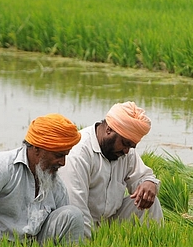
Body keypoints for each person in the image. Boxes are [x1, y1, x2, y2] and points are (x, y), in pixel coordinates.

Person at [0, 114, 85, 247]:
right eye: (58, 155)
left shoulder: (56, 184)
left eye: (65, 155)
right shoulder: (1, 165)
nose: (62, 162)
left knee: (72, 215)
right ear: (37, 149)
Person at [58, 101, 163, 239]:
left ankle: (156, 245)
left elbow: (142, 177)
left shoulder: (124, 151)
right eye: (125, 144)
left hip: (108, 222)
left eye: (131, 146)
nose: (127, 151)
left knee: (149, 200)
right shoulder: (79, 153)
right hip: (78, 225)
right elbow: (77, 209)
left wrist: (149, 183)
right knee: (76, 215)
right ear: (109, 129)